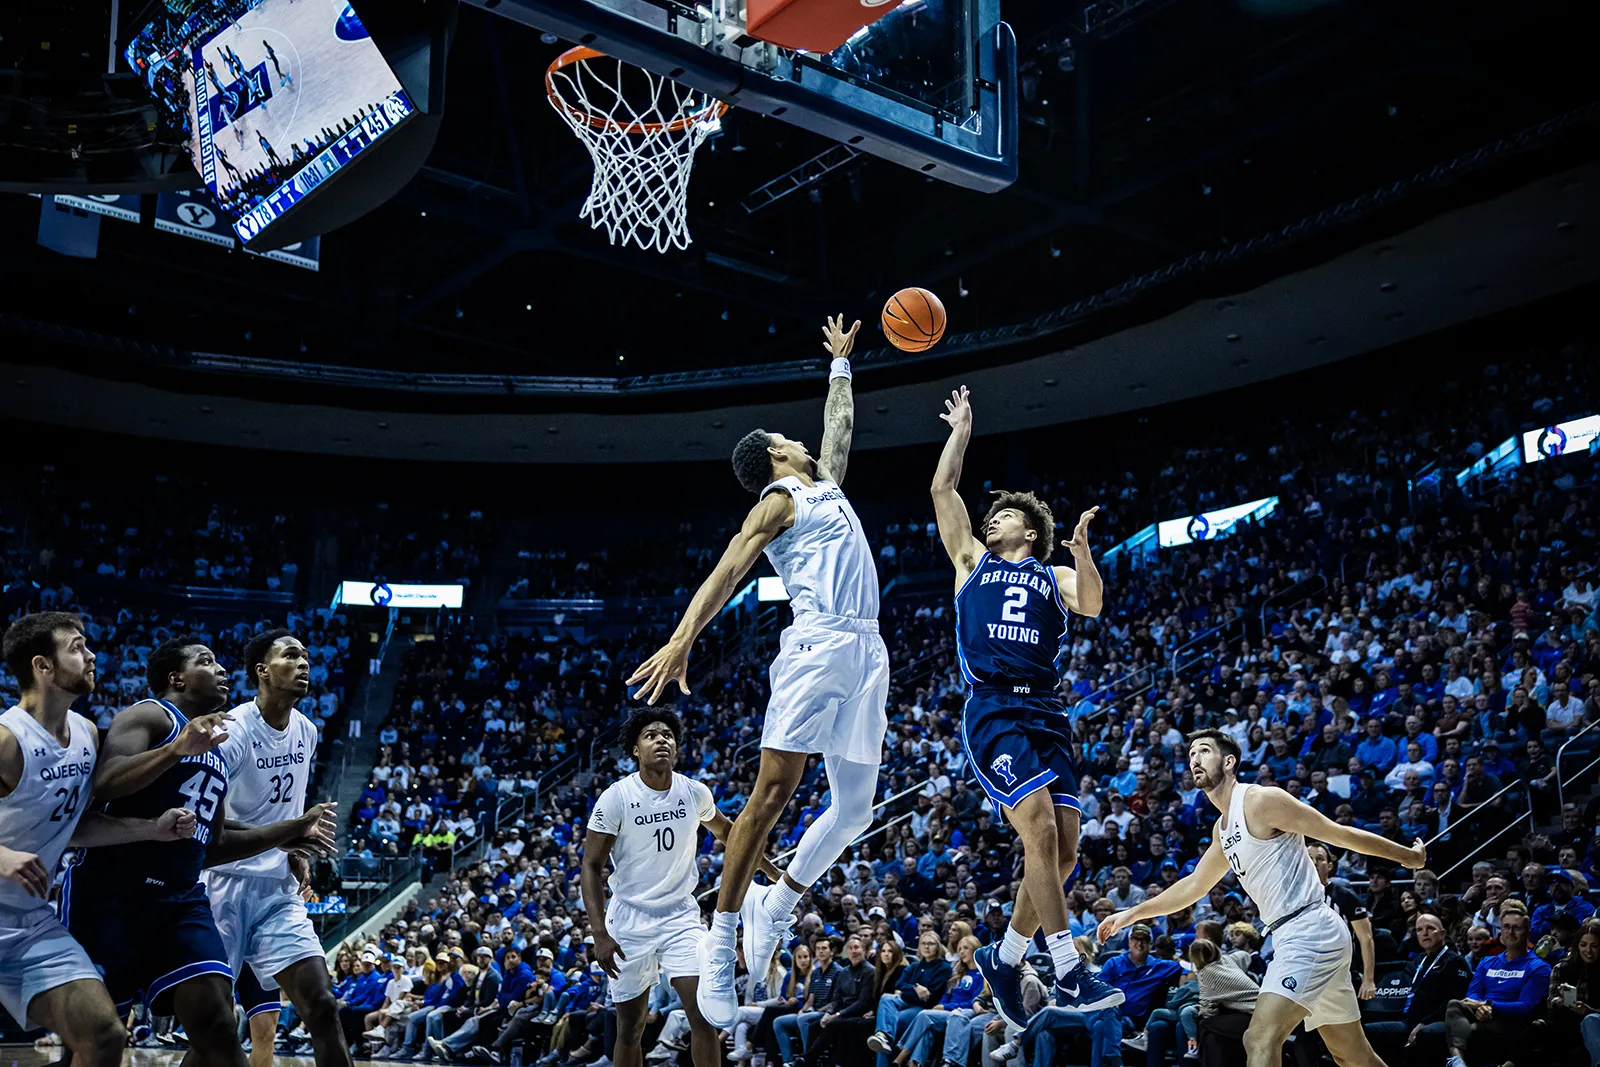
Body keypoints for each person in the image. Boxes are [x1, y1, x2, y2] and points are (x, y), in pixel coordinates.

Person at [628, 316, 890, 1030]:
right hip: (817, 646)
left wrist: (840, 366)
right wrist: (683, 638)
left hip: (867, 649)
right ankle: (720, 946)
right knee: (772, 793)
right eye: (791, 440)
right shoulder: (779, 500)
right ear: (777, 452)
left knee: (856, 810)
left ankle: (775, 906)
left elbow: (838, 429)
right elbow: (729, 568)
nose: (805, 443)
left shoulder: (824, 482)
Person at [927, 384, 1120, 1023]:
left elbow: (1091, 602)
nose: (991, 522)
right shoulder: (970, 561)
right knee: (1036, 828)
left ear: (1031, 531)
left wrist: (1084, 555)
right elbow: (943, 491)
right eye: (990, 518)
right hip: (995, 708)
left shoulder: (1052, 575)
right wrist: (961, 432)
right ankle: (1068, 968)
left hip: (1048, 712)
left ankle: (1005, 958)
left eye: (1003, 516)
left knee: (1063, 852)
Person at [66, 636, 336, 1067]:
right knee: (98, 1044)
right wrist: (175, 749)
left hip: (178, 898)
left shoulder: (213, 748)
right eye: (207, 662)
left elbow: (215, 842)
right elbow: (106, 783)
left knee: (219, 1024)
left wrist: (285, 837)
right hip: (113, 896)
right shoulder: (150, 715)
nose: (222, 670)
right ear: (177, 679)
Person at [1098, 729, 1427, 1067]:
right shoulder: (1222, 828)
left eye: (1205, 751)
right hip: (1291, 935)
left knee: (1258, 1038)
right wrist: (1132, 914)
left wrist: (1408, 857)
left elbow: (1338, 834)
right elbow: (1194, 885)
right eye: (1192, 753)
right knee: (1352, 1055)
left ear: (1229, 762)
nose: (1195, 758)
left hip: (1310, 930)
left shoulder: (1261, 801)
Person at [0, 613, 202, 1067]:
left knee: (105, 1035)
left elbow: (75, 825)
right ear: (42, 666)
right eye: (76, 648)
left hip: (28, 924)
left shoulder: (87, 735)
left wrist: (150, 829)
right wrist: (2, 857)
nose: (91, 656)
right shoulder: (7, 740)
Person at [581, 710, 784, 1067]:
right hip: (630, 919)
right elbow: (591, 866)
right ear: (635, 750)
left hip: (680, 918)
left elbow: (730, 834)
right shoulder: (617, 797)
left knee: (703, 1015)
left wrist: (768, 868)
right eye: (651, 735)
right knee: (630, 1028)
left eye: (668, 735)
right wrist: (599, 933)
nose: (662, 740)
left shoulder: (693, 792)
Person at [204, 629, 353, 1067]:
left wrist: (295, 852)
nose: (304, 663)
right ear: (262, 671)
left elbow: (289, 806)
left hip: (276, 894)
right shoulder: (231, 732)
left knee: (322, 1005)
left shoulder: (307, 730)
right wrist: (287, 835)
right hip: (221, 887)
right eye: (291, 655)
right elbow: (208, 829)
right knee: (213, 1029)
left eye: (306, 656)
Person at [1444, 905, 1551, 1067]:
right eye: (1506, 927)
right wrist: (1481, 1007)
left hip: (1510, 1020)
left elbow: (1526, 1006)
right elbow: (1472, 993)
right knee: (1454, 1004)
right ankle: (1458, 1061)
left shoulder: (1538, 967)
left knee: (1471, 1030)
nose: (1510, 932)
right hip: (1482, 1012)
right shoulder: (1488, 961)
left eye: (1517, 928)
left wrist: (1489, 1005)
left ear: (1528, 933)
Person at [1305, 843, 1377, 1001]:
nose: (1314, 863)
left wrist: (1368, 979)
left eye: (1320, 859)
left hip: (1342, 974)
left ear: (1330, 866)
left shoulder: (1345, 896)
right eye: (1309, 858)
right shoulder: (1294, 897)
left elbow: (1366, 938)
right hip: (1306, 976)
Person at [1545, 921, 1600, 1066]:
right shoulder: (1561, 968)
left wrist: (1588, 1011)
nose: (1588, 951)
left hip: (1593, 1026)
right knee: (1538, 1028)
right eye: (1583, 945)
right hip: (1564, 1023)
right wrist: (1561, 1001)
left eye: (1594, 946)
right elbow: (1550, 1002)